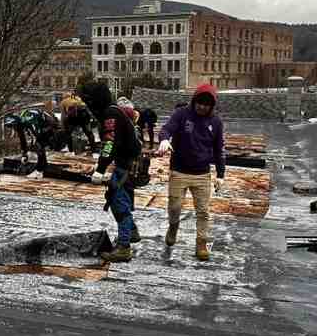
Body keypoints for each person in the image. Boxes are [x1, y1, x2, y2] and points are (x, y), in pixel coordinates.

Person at [156, 84, 226, 261]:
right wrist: (164, 140)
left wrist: (220, 175)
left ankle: (201, 242)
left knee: (203, 211)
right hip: (179, 171)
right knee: (174, 206)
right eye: (199, 103)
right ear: (194, 101)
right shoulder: (182, 114)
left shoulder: (216, 122)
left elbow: (219, 150)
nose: (202, 107)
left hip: (202, 174)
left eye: (206, 105)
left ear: (212, 106)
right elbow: (167, 129)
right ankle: (173, 226)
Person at [90, 97, 142, 263]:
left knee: (120, 206)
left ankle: (124, 247)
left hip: (124, 170)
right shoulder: (130, 128)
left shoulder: (118, 122)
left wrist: (100, 169)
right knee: (121, 201)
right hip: (127, 168)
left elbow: (109, 144)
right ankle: (131, 232)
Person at [3, 107, 65, 179]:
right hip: (42, 125)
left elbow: (37, 136)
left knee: (39, 144)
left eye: (13, 126)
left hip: (51, 125)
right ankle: (42, 167)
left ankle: (39, 171)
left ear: (17, 122)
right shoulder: (20, 124)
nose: (13, 128)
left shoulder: (29, 121)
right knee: (38, 145)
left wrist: (34, 147)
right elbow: (22, 139)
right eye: (11, 126)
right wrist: (24, 153)